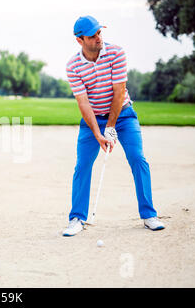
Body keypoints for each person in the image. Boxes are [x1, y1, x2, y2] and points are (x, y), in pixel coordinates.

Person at [62, 15, 165, 236]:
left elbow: (119, 93)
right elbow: (83, 103)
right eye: (93, 35)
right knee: (82, 166)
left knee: (138, 159)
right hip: (93, 119)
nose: (99, 37)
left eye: (99, 32)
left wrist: (111, 126)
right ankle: (77, 218)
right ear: (80, 40)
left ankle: (149, 215)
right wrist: (99, 133)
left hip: (124, 116)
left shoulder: (116, 53)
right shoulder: (73, 66)